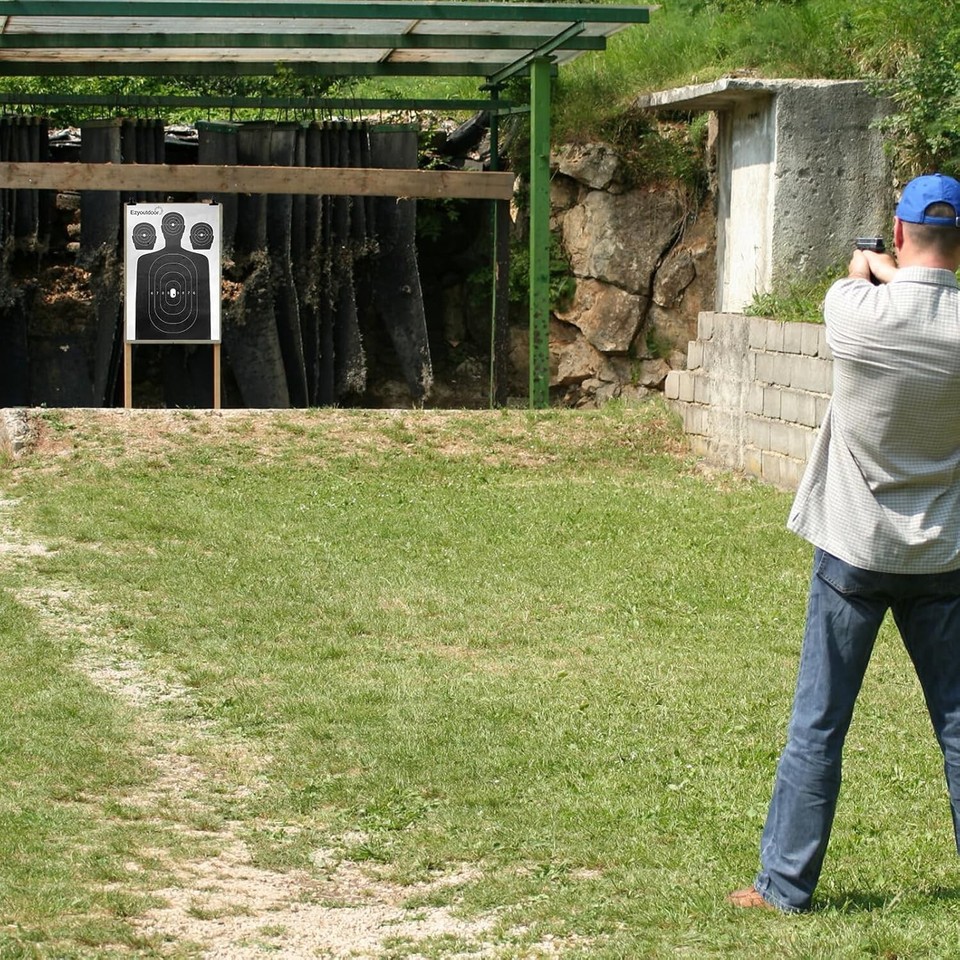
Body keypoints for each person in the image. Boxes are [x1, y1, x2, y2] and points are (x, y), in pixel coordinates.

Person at [728, 173, 960, 913]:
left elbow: (863, 288)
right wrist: (903, 273)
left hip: (854, 550)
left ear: (897, 234)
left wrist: (874, 268)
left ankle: (786, 887)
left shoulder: (852, 311)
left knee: (818, 726)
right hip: (945, 553)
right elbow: (930, 296)